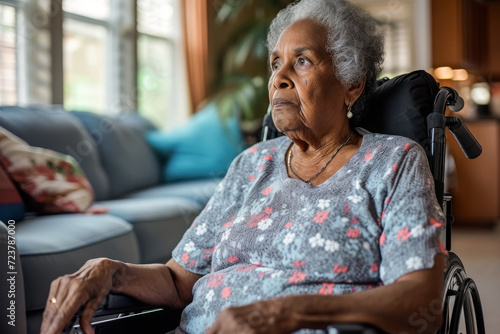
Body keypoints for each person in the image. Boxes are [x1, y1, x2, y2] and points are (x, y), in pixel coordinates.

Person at [41, 0, 447, 333]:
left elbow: (420, 301)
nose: (279, 79)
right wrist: (110, 271)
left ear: (351, 83)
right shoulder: (251, 165)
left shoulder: (394, 162)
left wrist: (287, 312)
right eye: (275, 64)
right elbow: (180, 280)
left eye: (301, 61)